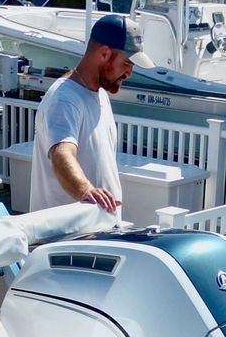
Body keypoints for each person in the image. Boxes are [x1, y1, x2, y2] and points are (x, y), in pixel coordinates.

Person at [27, 14, 151, 213]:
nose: (129, 73)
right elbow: (62, 154)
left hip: (96, 229)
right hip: (67, 235)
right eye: (127, 64)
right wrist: (85, 191)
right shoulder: (65, 99)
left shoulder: (99, 93)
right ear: (104, 53)